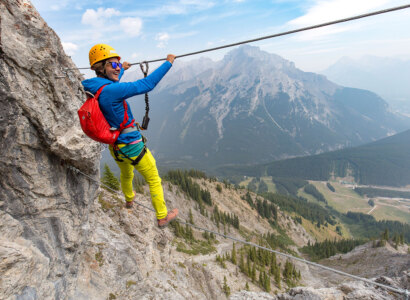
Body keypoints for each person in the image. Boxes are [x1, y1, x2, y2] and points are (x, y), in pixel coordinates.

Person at [82, 43, 178, 227]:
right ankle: (162, 216)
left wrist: (122, 69)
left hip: (116, 147)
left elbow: (109, 85)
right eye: (113, 65)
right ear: (101, 68)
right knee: (153, 179)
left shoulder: (96, 87)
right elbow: (147, 84)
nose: (117, 68)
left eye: (118, 65)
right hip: (132, 145)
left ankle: (129, 200)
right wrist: (168, 63)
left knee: (127, 174)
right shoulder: (112, 90)